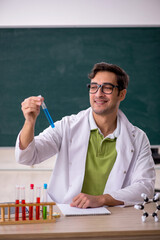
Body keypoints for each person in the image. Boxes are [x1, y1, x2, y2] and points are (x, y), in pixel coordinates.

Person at [15, 62, 155, 208]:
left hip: (112, 217)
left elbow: (145, 187)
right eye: (94, 87)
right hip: (67, 214)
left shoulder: (137, 138)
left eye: (107, 88)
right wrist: (29, 122)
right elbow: (27, 157)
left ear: (122, 94)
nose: (98, 94)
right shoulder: (67, 126)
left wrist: (102, 199)